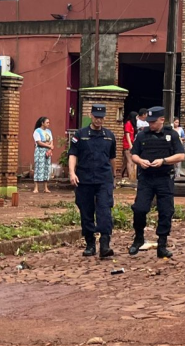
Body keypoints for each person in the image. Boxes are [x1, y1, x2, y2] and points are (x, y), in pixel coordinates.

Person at [128, 106, 185, 259]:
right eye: (149, 122)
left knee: (166, 211)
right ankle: (139, 237)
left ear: (162, 120)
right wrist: (140, 161)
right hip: (146, 178)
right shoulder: (142, 135)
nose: (150, 125)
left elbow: (180, 155)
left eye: (153, 122)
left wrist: (164, 161)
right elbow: (134, 154)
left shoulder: (171, 135)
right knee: (139, 209)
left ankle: (162, 244)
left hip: (164, 178)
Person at [68, 104, 116, 258]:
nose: (98, 120)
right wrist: (71, 173)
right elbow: (73, 154)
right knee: (86, 211)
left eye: (101, 117)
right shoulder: (80, 135)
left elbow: (112, 158)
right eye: (96, 117)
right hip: (85, 178)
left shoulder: (109, 136)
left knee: (104, 210)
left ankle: (104, 243)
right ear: (91, 115)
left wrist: (114, 176)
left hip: (104, 179)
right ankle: (90, 243)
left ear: (105, 117)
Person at [32, 116, 54, 193]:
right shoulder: (37, 131)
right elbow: (39, 142)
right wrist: (48, 145)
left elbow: (51, 140)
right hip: (40, 151)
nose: (48, 124)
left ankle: (45, 187)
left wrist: (50, 149)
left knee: (46, 168)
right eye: (47, 122)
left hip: (47, 151)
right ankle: (36, 188)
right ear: (42, 123)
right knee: (38, 167)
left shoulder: (49, 131)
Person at [123, 111, 138, 180]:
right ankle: (130, 177)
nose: (137, 118)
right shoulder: (128, 123)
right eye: (136, 117)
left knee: (126, 161)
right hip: (128, 144)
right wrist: (130, 145)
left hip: (131, 143)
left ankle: (122, 174)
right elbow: (127, 135)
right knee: (130, 161)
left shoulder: (132, 124)